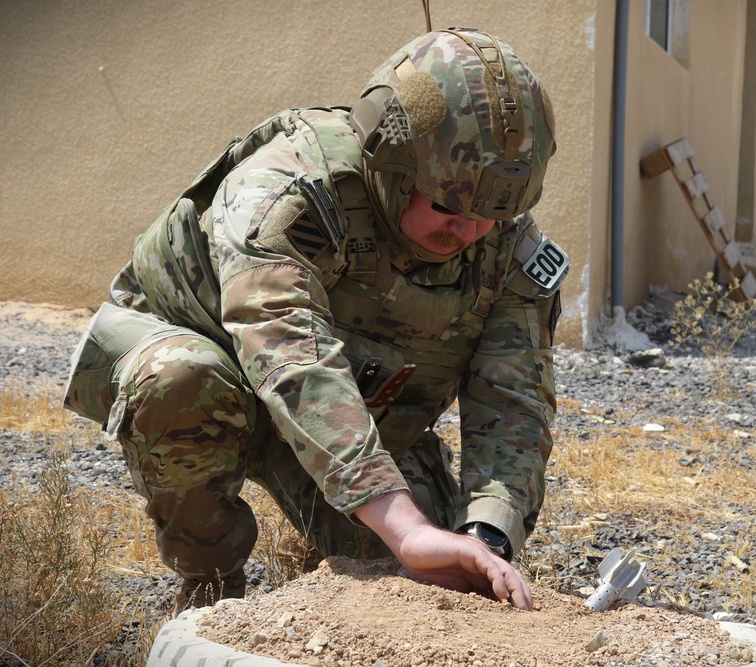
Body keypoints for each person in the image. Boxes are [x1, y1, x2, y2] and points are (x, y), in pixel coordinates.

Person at [62, 27, 567, 615]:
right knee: (180, 378)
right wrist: (398, 519)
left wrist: (485, 536)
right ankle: (210, 588)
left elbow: (514, 402)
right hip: (209, 361)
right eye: (450, 208)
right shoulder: (289, 188)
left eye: (493, 214)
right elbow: (287, 349)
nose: (471, 233)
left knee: (421, 578)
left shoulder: (505, 240)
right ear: (391, 163)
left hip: (350, 402)